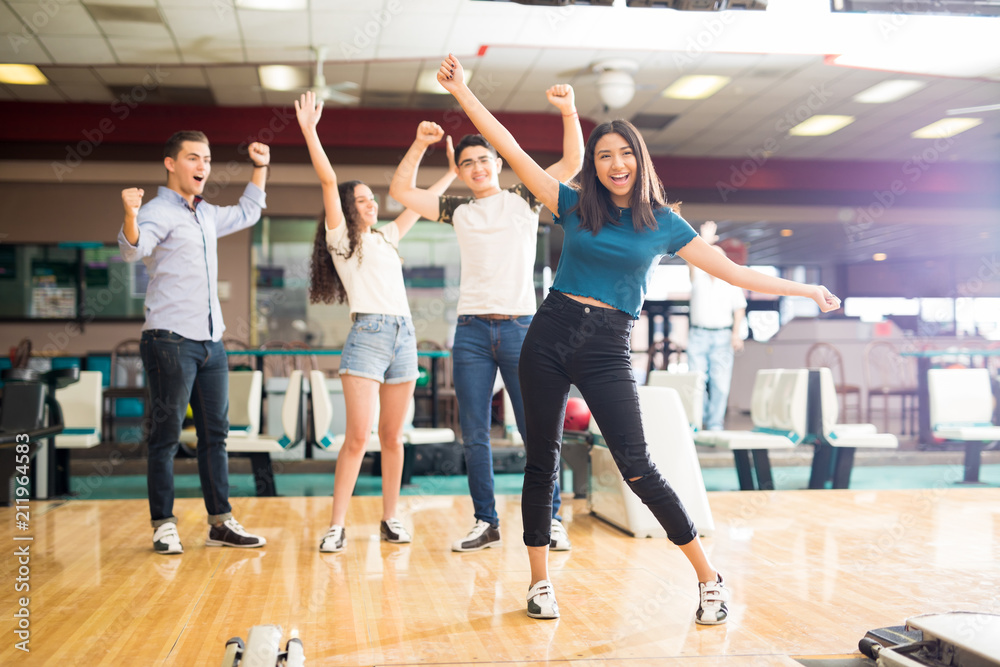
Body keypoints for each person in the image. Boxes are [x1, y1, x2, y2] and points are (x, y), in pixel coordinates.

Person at [436, 54, 841, 624]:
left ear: (639, 159)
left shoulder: (663, 223)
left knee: (637, 464)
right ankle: (539, 582)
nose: (614, 163)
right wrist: (464, 93)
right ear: (594, 165)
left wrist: (807, 290)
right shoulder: (572, 204)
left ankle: (709, 579)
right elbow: (511, 149)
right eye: (603, 155)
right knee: (541, 460)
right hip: (549, 334)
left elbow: (733, 273)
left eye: (624, 153)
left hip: (607, 346)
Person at [388, 85, 584, 553]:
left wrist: (568, 110)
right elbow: (400, 191)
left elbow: (573, 162)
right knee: (475, 434)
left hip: (520, 329)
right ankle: (485, 520)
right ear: (459, 171)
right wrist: (419, 144)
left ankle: (552, 518)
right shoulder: (457, 210)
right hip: (471, 332)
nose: (476, 167)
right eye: (467, 163)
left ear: (497, 164)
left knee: (537, 430)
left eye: (483, 160)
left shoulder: (524, 197)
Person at [295, 91, 458, 553]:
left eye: (372, 199)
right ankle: (336, 525)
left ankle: (390, 518)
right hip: (367, 335)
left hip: (404, 336)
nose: (371, 204)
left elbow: (420, 202)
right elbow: (328, 180)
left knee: (392, 437)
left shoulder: (386, 238)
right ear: (348, 208)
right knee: (357, 438)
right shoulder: (341, 240)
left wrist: (449, 170)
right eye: (363, 200)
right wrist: (309, 130)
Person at [119, 130, 270, 555]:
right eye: (193, 158)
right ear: (171, 164)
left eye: (206, 158)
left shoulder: (205, 214)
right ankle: (163, 525)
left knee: (215, 436)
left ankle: (220, 522)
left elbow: (248, 212)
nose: (203, 166)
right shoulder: (156, 211)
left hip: (210, 341)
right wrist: (130, 214)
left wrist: (260, 167)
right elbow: (133, 251)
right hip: (169, 339)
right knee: (166, 436)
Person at [687, 221, 747, 431]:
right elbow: (692, 258)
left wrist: (736, 335)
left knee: (720, 383)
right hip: (698, 335)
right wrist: (704, 241)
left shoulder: (730, 281)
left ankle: (714, 424)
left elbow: (739, 309)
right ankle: (697, 420)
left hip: (722, 336)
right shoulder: (697, 275)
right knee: (695, 381)